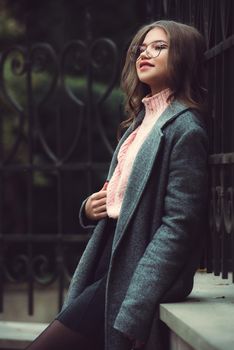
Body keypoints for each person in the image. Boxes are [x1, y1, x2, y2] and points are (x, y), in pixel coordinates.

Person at [26, 20, 209, 350]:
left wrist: (136, 307)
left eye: (159, 47)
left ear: (184, 57)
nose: (145, 53)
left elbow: (178, 227)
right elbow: (122, 197)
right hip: (106, 261)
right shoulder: (140, 122)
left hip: (133, 274)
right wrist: (89, 207)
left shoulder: (186, 128)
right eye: (142, 48)